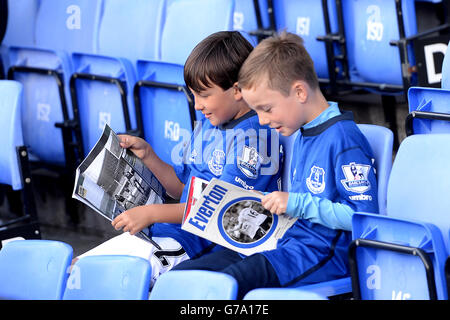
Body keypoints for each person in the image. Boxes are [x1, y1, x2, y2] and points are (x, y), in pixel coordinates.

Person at [171, 31, 379, 299]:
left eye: (266, 109)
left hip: (322, 255)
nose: (263, 120)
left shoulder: (343, 138)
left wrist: (297, 204)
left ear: (300, 92)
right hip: (285, 243)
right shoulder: (302, 131)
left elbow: (365, 218)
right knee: (186, 276)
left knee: (225, 285)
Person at [75, 31, 281, 287]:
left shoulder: (256, 138)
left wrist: (152, 213)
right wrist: (148, 156)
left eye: (204, 95)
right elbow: (182, 187)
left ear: (237, 90)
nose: (197, 105)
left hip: (194, 244)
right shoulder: (209, 123)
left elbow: (221, 210)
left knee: (90, 280)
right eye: (194, 95)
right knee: (77, 270)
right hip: (163, 233)